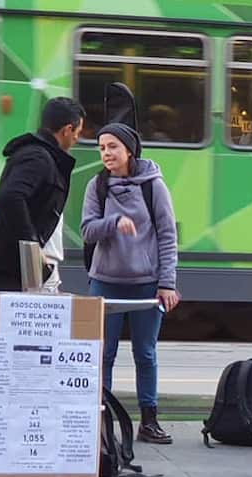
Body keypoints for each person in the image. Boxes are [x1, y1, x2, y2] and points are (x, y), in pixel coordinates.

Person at [81, 123, 180, 445]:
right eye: (101, 148)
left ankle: (148, 422)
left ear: (129, 149)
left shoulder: (153, 186)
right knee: (103, 354)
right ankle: (101, 420)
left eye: (112, 146)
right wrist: (113, 223)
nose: (106, 153)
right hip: (105, 282)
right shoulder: (97, 186)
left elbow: (167, 236)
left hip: (146, 283)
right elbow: (87, 231)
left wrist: (167, 283)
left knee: (145, 354)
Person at [0, 98, 85, 292]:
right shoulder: (37, 157)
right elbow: (11, 197)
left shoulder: (39, 155)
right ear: (67, 130)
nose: (77, 138)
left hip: (29, 269)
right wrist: (32, 247)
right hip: (20, 272)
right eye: (78, 132)